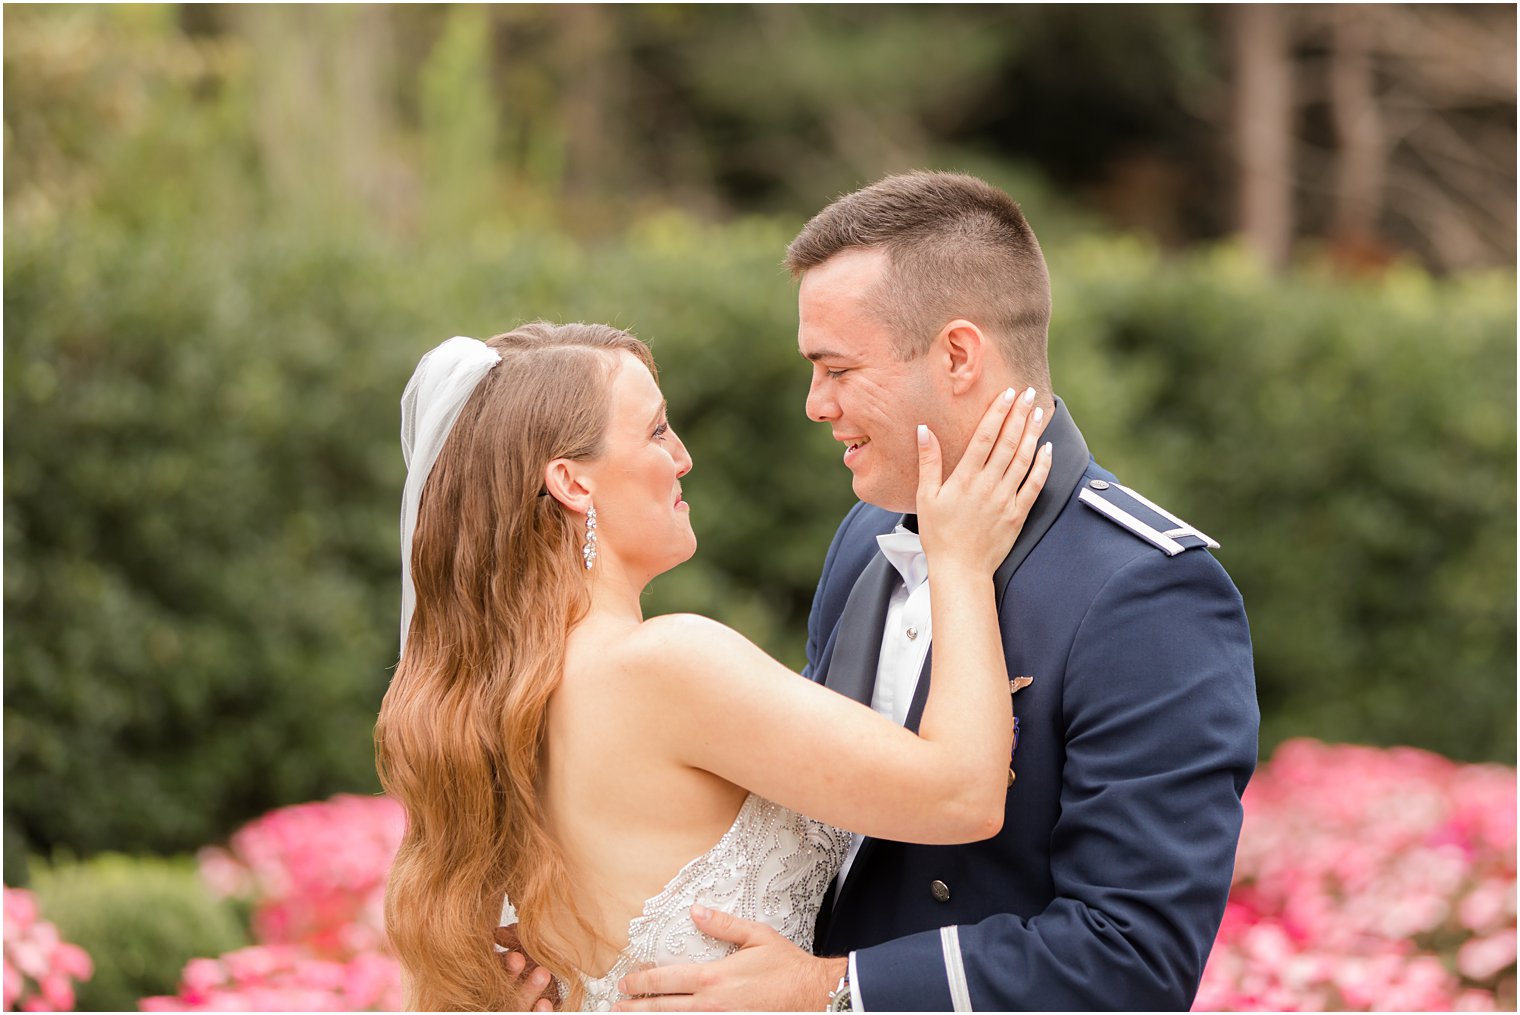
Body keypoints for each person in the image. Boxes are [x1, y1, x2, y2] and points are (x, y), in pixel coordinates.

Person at [612, 173, 1259, 1010]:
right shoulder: (865, 543)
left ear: (958, 355)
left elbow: (1133, 957)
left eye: (837, 368)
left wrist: (833, 987)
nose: (815, 404)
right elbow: (819, 839)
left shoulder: (1147, 590)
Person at [375, 321, 1054, 1010]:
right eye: (656, 431)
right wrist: (960, 562)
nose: (683, 457)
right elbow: (963, 794)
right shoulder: (666, 665)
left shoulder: (496, 696)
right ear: (571, 481)